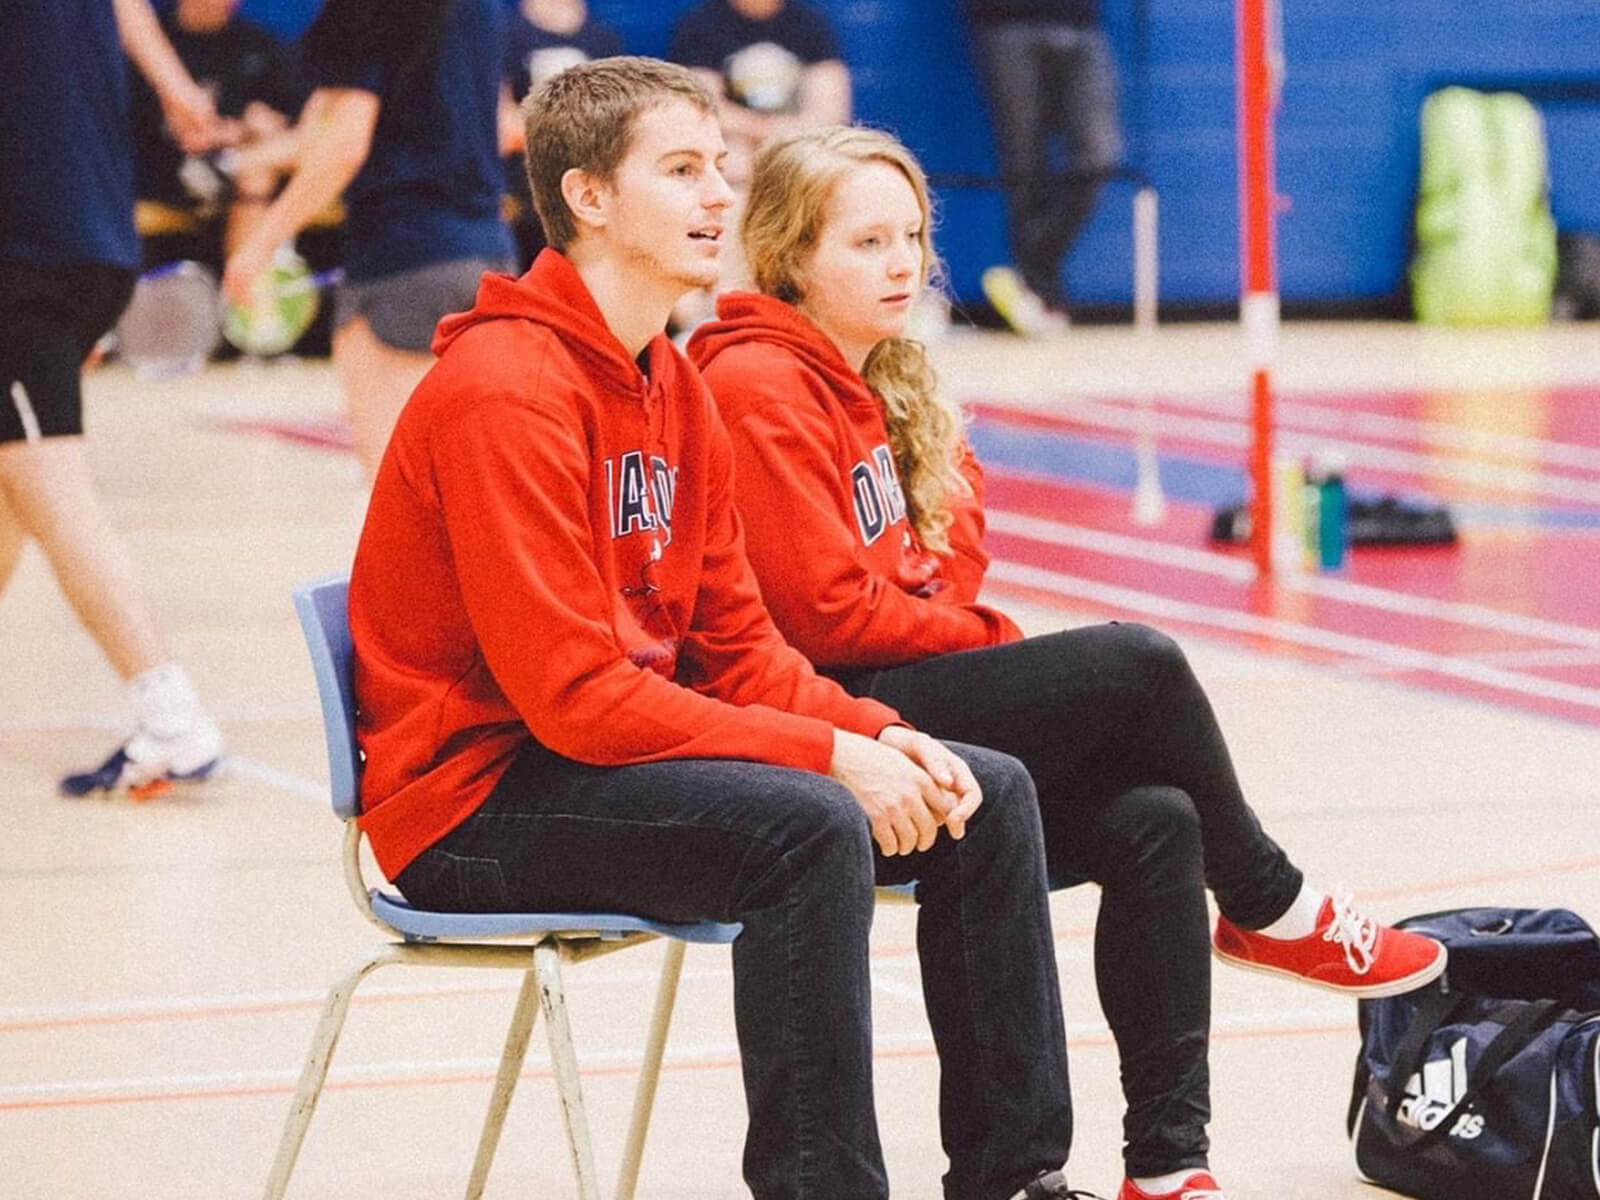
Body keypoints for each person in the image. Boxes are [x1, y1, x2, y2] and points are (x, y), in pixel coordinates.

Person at [347, 55, 1093, 1200]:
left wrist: (876, 731)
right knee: (803, 826)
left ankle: (1015, 1179)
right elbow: (577, 697)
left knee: (979, 796)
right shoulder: (507, 389)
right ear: (590, 198)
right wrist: (827, 755)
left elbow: (740, 647)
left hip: (587, 761)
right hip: (474, 802)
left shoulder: (669, 381)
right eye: (683, 171)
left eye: (720, 170)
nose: (717, 199)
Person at [688, 124, 1451, 1200]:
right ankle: (1271, 903)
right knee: (1135, 665)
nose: (902, 262)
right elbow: (825, 616)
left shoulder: (884, 380)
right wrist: (985, 640)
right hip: (828, 722)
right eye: (865, 242)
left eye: (911, 236)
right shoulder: (758, 381)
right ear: (790, 252)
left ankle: (1167, 1164)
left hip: (892, 690)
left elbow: (941, 564)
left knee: (1156, 821)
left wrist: (937, 571)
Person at [2, 0, 225, 797]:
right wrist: (177, 90)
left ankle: (172, 716)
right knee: (13, 487)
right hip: (91, 236)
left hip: (23, 248)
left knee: (53, 490)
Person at [222, 0, 517, 483]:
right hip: (488, 257)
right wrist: (254, 158)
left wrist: (260, 244)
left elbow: (343, 146)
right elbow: (497, 126)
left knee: (398, 492)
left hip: (403, 259)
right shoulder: (482, 9)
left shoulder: (363, 9)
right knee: (471, 484)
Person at [666, 0, 850, 330]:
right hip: (734, 167)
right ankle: (720, 316)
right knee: (729, 164)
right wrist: (770, 137)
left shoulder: (809, 24)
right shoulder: (701, 25)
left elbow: (831, 110)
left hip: (793, 163)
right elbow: (703, 109)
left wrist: (774, 144)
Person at [964, 0, 1122, 337]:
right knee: (1023, 165)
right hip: (1005, 22)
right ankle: (1038, 293)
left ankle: (1030, 273)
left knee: (1099, 158)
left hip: (1081, 21)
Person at [128, 0, 305, 273]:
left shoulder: (259, 46)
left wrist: (254, 130)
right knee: (252, 170)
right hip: (166, 177)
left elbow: (295, 126)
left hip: (240, 177)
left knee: (258, 167)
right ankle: (247, 292)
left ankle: (248, 294)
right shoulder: (149, 46)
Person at [500, 0, 624, 269]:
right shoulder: (506, 33)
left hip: (591, 176)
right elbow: (504, 126)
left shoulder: (602, 38)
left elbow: (618, 122)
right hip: (527, 183)